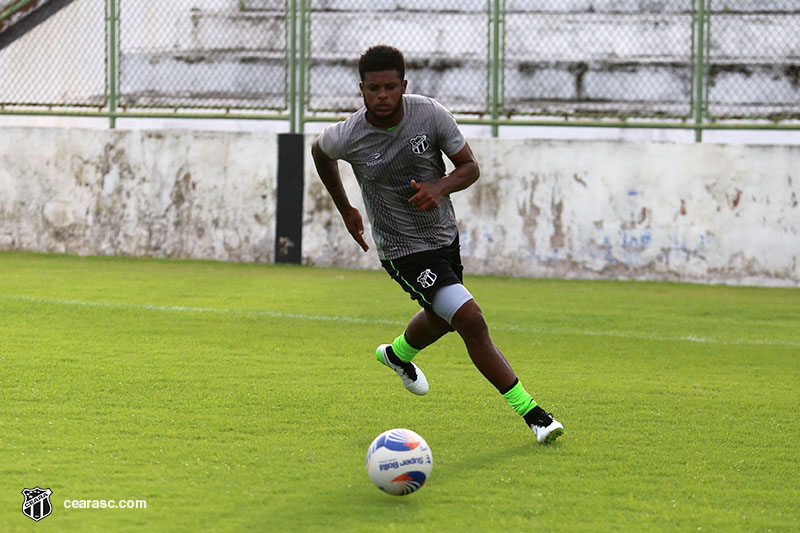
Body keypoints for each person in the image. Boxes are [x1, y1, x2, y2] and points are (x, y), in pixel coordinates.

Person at [311, 45, 564, 444]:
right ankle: (535, 415)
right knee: (470, 319)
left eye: (390, 86)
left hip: (443, 236)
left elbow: (470, 167)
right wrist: (346, 208)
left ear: (403, 85)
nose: (382, 95)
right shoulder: (349, 135)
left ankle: (397, 354)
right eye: (373, 88)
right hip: (402, 250)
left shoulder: (430, 114)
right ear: (361, 89)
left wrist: (439, 186)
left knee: (445, 317)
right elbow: (319, 152)